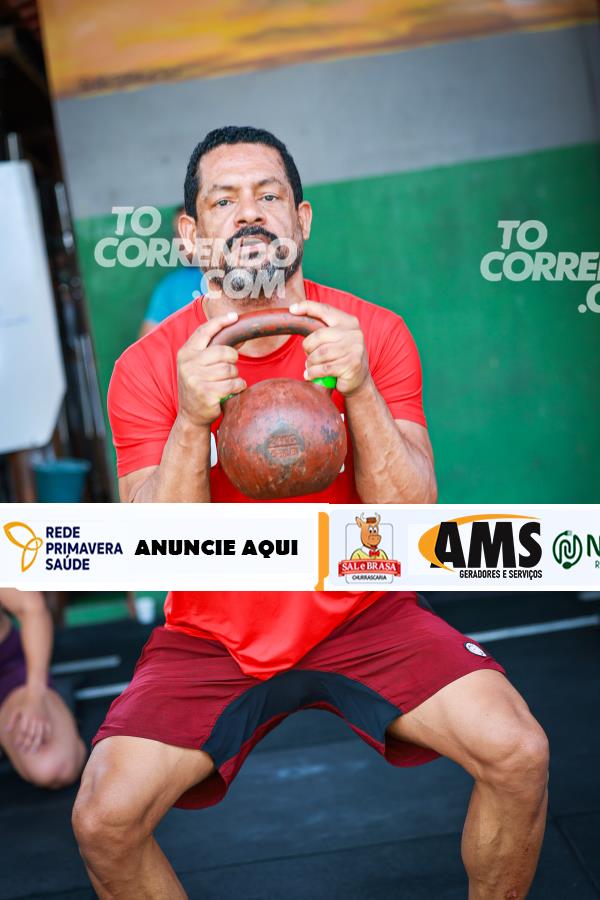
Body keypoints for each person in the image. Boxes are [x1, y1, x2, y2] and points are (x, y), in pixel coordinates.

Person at [72, 126, 549, 900]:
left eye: (268, 195)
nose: (248, 212)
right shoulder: (147, 368)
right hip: (212, 634)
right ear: (190, 236)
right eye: (223, 201)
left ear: (301, 219)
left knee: (518, 752)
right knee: (103, 820)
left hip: (363, 609)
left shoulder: (373, 334)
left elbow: (412, 516)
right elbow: (155, 549)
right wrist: (192, 419)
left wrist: (359, 389)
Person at [0, 588, 86, 788]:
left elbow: (31, 607)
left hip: (6, 672)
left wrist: (35, 694)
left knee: (55, 769)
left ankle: (47, 696)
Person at [139, 206, 207, 338]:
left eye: (188, 231)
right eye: (177, 234)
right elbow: (149, 342)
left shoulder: (234, 274)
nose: (180, 241)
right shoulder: (170, 286)